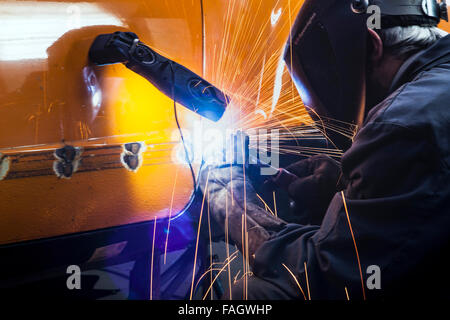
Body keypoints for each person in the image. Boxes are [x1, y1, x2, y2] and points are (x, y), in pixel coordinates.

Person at [199, 0, 450, 299]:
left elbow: (324, 273)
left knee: (253, 294)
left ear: (373, 45)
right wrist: (342, 188)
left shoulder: (400, 123)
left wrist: (233, 205)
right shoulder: (434, 92)